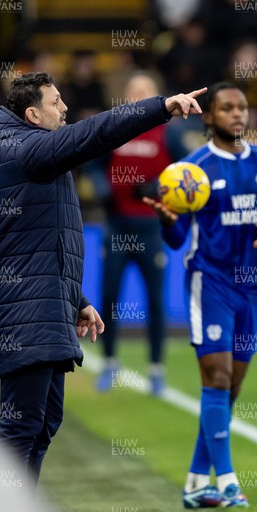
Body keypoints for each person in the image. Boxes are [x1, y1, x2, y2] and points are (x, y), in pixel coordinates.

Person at [0, 72, 206, 485]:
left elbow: (37, 242)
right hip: (26, 311)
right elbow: (93, 134)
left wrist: (75, 298)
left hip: (42, 302)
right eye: (56, 102)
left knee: (43, 423)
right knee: (21, 428)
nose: (65, 109)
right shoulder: (26, 149)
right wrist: (161, 107)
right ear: (32, 114)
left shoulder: (27, 150)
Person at [144, 82, 257, 508]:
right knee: (217, 378)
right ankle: (227, 481)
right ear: (208, 117)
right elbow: (175, 240)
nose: (237, 114)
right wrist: (168, 221)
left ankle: (195, 481)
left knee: (231, 390)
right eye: (227, 108)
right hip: (210, 282)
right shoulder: (193, 170)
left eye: (242, 108)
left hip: (252, 288)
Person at [92, 72, 188, 395]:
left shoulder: (168, 134)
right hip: (117, 226)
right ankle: (108, 363)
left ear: (155, 96)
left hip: (150, 228)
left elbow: (186, 173)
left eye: (146, 91)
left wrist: (160, 188)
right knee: (108, 295)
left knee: (156, 301)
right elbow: (91, 162)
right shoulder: (114, 128)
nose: (139, 96)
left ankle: (156, 368)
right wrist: (103, 188)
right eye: (134, 91)